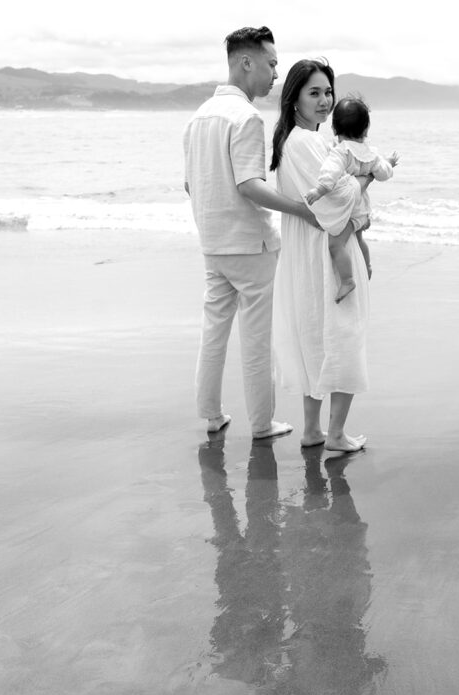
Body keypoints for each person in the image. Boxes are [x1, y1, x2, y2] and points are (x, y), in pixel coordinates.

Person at [183, 26, 316, 438]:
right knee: (257, 341)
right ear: (246, 62)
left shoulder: (197, 117)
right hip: (252, 247)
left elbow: (192, 184)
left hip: (213, 244)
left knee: (214, 332)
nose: (276, 74)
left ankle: (211, 414)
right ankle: (261, 424)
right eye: (271, 63)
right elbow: (249, 185)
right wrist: (301, 210)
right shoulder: (245, 117)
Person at [270, 60, 371, 453]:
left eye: (328, 92)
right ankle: (336, 434)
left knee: (315, 337)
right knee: (343, 335)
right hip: (324, 252)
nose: (325, 100)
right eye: (314, 92)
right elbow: (339, 200)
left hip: (309, 252)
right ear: (294, 97)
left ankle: (313, 430)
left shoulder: (300, 140)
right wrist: (366, 177)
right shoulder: (306, 142)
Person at [305, 97, 398, 302]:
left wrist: (319, 190)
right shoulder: (371, 153)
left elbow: (330, 172)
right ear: (365, 130)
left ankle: (347, 280)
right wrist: (389, 163)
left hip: (350, 211)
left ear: (334, 128)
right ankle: (367, 267)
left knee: (335, 245)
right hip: (362, 209)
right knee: (358, 238)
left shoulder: (341, 151)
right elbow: (382, 174)